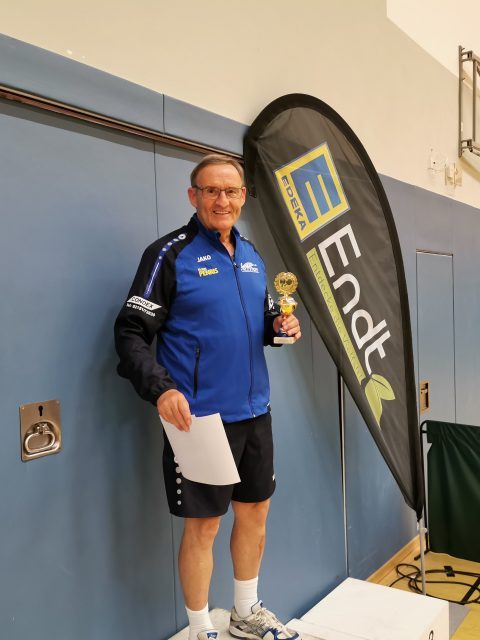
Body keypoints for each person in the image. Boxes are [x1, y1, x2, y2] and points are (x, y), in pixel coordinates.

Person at [114, 154, 301, 640]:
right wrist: (161, 389)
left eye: (231, 191)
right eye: (211, 190)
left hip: (255, 412)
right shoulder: (168, 255)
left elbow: (260, 321)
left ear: (243, 197)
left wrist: (279, 328)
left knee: (255, 512)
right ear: (192, 195)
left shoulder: (252, 256)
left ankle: (245, 611)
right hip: (198, 420)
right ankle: (201, 628)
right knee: (204, 526)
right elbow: (130, 332)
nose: (222, 200)